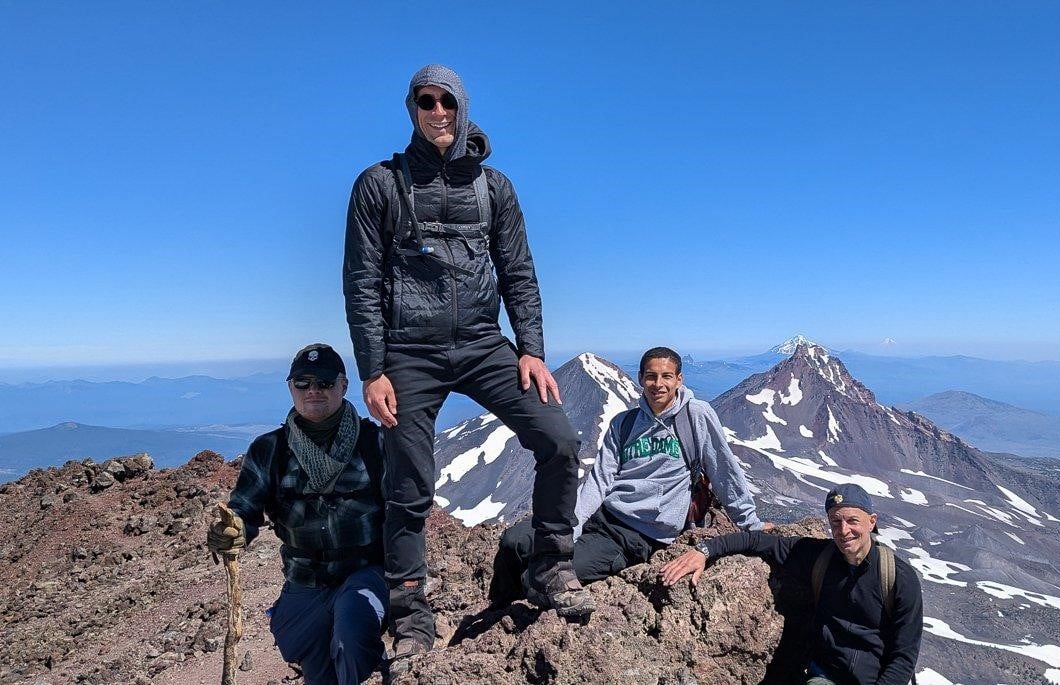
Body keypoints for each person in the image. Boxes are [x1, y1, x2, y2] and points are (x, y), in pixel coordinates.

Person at [343, 64, 592, 653]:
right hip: (408, 350)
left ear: (463, 107)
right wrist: (372, 369)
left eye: (447, 101)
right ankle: (410, 617)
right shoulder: (379, 184)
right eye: (426, 101)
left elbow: (519, 271)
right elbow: (362, 281)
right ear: (412, 108)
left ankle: (550, 565)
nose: (437, 111)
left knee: (558, 440)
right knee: (408, 481)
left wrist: (530, 348)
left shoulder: (495, 188)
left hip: (483, 343)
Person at [489, 346, 766, 605]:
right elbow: (599, 480)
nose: (659, 384)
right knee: (514, 541)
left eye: (667, 376)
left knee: (538, 578)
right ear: (641, 379)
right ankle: (496, 610)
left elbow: (724, 471)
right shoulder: (624, 423)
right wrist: (570, 527)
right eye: (651, 377)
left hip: (635, 538)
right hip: (602, 517)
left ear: (679, 379)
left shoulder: (695, 416)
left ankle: (515, 617)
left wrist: (750, 524)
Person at [207, 344, 387, 685]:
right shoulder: (270, 449)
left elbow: (403, 512)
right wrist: (234, 531)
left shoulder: (373, 443)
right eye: (302, 383)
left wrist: (408, 584)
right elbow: (245, 508)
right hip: (306, 581)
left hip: (366, 572)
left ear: (343, 386)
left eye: (323, 382)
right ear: (291, 388)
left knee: (353, 631)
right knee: (316, 665)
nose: (313, 390)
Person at [661, 483, 923, 685]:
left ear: (871, 521)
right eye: (835, 521)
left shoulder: (898, 577)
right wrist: (703, 550)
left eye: (852, 520)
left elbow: (904, 656)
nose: (843, 530)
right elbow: (756, 542)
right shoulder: (818, 556)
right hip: (825, 677)